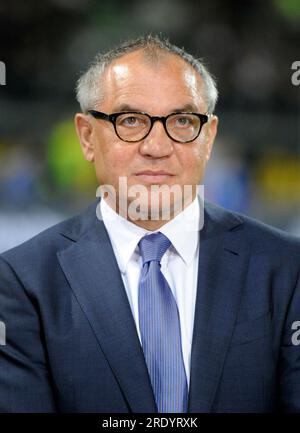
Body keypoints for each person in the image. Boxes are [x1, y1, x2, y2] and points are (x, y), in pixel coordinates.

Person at [0, 34, 300, 413]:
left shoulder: (289, 269)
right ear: (87, 136)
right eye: (130, 120)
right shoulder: (21, 282)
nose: (157, 147)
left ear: (208, 138)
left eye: (182, 120)